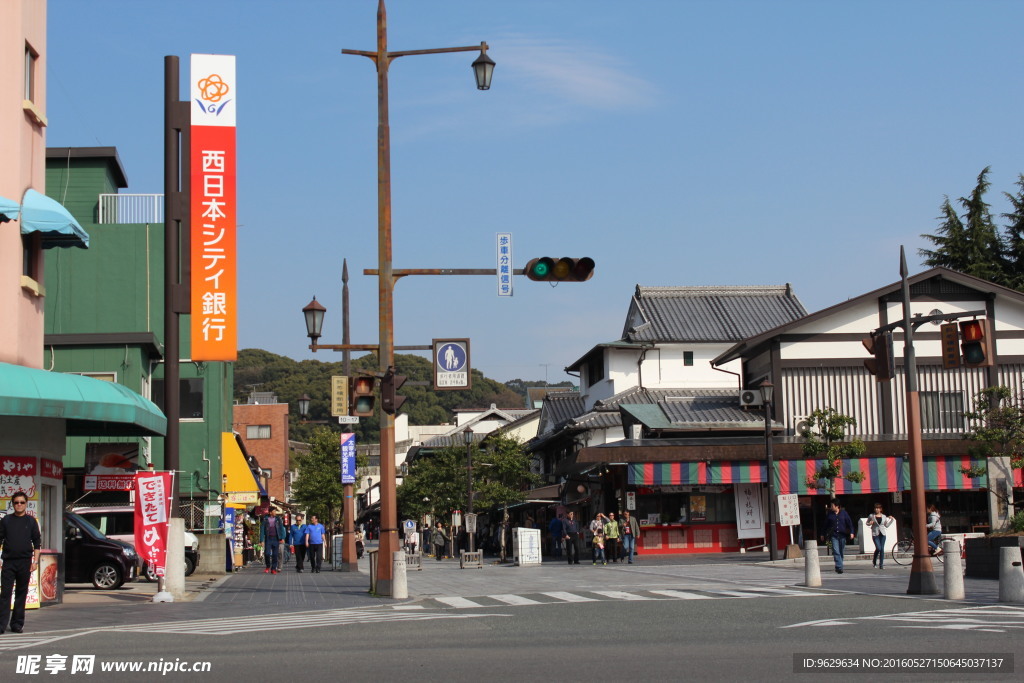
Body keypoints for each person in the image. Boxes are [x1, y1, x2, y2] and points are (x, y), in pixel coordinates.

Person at [0, 491, 42, 634]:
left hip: (25, 562)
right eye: (16, 502)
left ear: (26, 504)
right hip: (8, 562)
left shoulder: (31, 521)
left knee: (21, 593)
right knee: (5, 594)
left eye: (22, 502)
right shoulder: (6, 520)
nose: (19, 505)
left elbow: (37, 543)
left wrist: (35, 562)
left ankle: (17, 624)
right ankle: (1, 624)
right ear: (12, 504)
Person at [823, 499, 855, 574]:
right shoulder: (830, 514)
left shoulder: (844, 513)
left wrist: (852, 532)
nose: (831, 507)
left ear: (837, 506)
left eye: (832, 505)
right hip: (833, 535)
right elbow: (825, 525)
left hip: (842, 535)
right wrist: (822, 534)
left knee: (841, 551)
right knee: (836, 551)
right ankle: (839, 567)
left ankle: (839, 566)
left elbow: (849, 523)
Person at [866, 503, 894, 569]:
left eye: (878, 508)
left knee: (882, 549)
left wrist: (892, 520)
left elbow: (886, 525)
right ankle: (874, 561)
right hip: (875, 534)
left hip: (882, 534)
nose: (876, 509)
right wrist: (870, 523)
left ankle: (881, 565)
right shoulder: (871, 516)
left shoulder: (884, 516)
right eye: (875, 508)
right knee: (878, 548)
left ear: (880, 509)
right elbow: (867, 523)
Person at [260, 508, 285, 574]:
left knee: (275, 554)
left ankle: (273, 568)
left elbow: (281, 528)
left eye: (275, 511)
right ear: (270, 512)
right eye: (274, 511)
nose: (275, 512)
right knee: (267, 553)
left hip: (276, 538)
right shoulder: (265, 519)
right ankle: (268, 566)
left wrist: (282, 538)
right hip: (268, 538)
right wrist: (261, 540)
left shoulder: (278, 519)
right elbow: (262, 529)